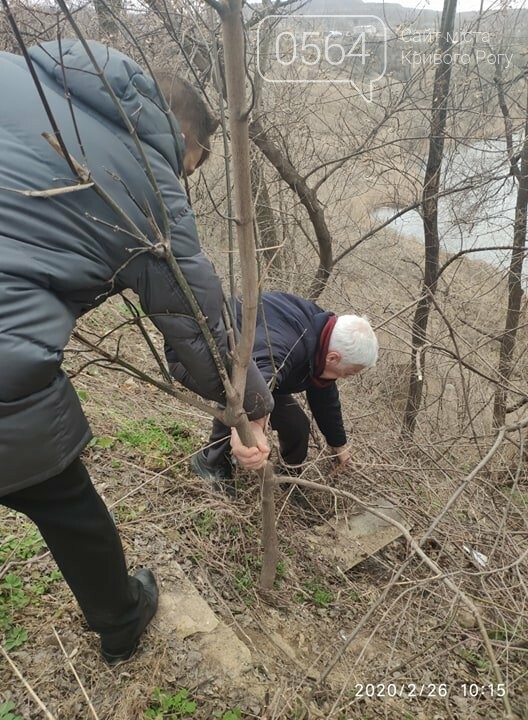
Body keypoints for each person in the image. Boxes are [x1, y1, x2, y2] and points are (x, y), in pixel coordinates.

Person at [0, 40, 273, 665]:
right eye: (193, 163)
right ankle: (121, 622)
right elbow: (200, 325)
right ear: (183, 133)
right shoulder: (148, 182)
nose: (186, 177)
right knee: (62, 497)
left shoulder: (21, 73)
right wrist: (249, 409)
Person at [166, 292, 378, 492]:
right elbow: (244, 392)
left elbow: (324, 394)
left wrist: (338, 444)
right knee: (240, 399)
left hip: (257, 368)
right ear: (333, 358)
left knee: (297, 426)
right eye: (348, 373)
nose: (344, 377)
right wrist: (254, 427)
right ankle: (210, 462)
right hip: (195, 355)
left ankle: (288, 475)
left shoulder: (325, 333)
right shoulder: (287, 345)